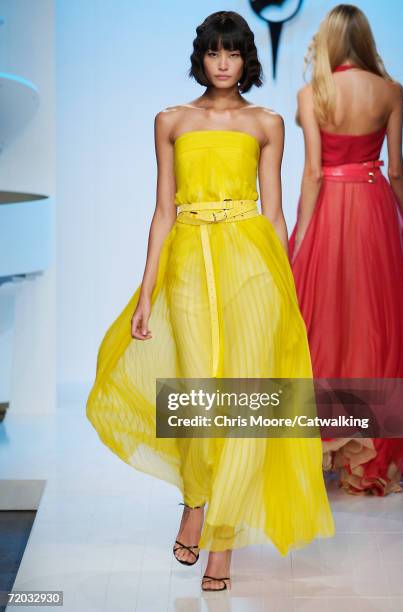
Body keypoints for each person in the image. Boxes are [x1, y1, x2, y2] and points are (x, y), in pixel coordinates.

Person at [86, 10, 335, 592]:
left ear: (247, 60)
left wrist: (288, 293)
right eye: (213, 53)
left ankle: (221, 542)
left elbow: (274, 214)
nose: (223, 64)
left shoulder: (267, 123)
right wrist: (146, 293)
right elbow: (164, 211)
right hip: (191, 266)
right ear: (200, 58)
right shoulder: (171, 120)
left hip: (252, 266)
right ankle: (195, 500)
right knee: (199, 399)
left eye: (234, 54)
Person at [288, 3, 403, 496]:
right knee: (376, 326)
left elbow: (314, 171)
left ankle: (320, 449)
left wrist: (301, 234)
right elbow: (396, 169)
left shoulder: (312, 93)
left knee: (323, 323)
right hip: (374, 207)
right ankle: (369, 456)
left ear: (330, 42)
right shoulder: (391, 91)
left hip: (331, 209)